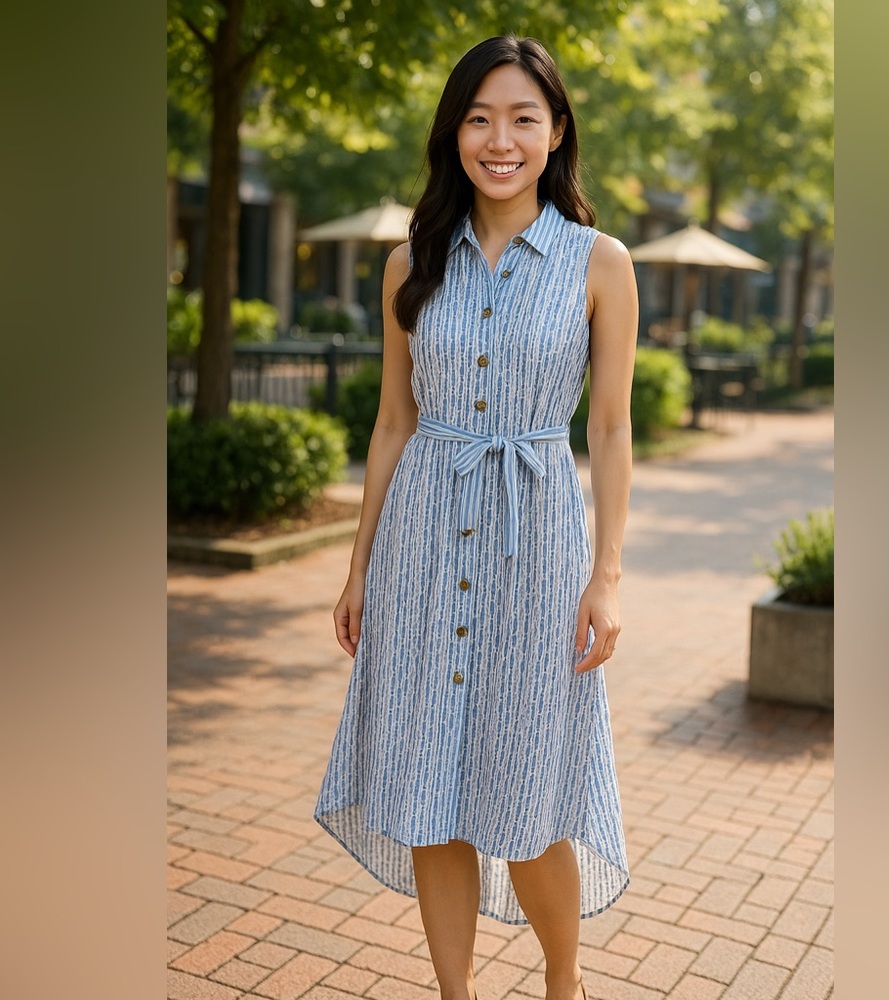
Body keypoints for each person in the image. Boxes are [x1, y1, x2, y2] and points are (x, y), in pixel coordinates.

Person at [314, 34, 638, 1000]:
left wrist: (607, 576)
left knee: (529, 797)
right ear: (454, 133)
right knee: (429, 793)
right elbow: (393, 422)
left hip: (539, 546)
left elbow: (611, 427)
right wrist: (358, 567)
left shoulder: (600, 262)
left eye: (522, 119)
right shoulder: (410, 263)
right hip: (419, 542)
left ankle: (563, 982)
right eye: (479, 118)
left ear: (556, 132)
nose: (500, 140)